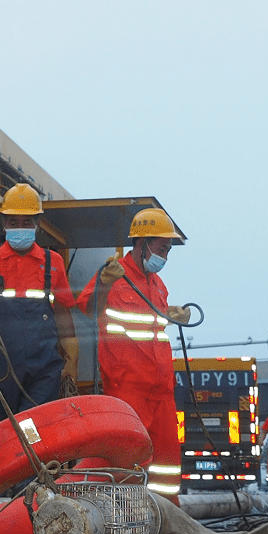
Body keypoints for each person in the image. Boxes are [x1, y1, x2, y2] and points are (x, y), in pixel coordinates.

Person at [76, 208, 189, 497]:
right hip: (128, 387)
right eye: (162, 248)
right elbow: (89, 308)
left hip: (162, 388)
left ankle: (167, 519)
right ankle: (127, 515)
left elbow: (151, 325)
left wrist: (171, 314)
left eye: (168, 250)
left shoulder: (157, 284)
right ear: (142, 243)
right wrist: (104, 282)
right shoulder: (114, 274)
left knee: (166, 462)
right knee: (129, 457)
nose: (165, 256)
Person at [0, 184, 80, 427]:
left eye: (26, 222)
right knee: (2, 434)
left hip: (43, 374)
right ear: (4, 224)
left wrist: (71, 363)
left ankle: (35, 466)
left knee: (32, 431)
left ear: (37, 224)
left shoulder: (52, 263)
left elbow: (64, 320)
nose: (19, 228)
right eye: (13, 222)